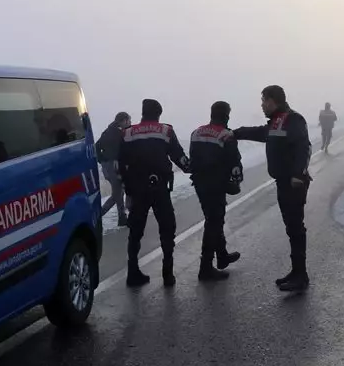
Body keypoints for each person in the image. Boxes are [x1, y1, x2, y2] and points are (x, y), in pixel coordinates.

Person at [234, 85, 312, 292]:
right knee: (291, 228)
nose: (261, 105)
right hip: (283, 182)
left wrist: (298, 174)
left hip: (294, 183)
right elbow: (261, 132)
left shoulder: (293, 119)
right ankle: (296, 271)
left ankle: (301, 275)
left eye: (263, 101)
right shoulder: (277, 121)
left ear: (272, 101)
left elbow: (304, 147)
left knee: (296, 228)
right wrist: (235, 133)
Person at [118, 99, 190, 287]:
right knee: (167, 228)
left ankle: (132, 273)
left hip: (137, 189)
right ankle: (168, 273)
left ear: (143, 113)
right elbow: (179, 156)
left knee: (135, 231)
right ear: (158, 114)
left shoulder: (128, 133)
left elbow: (121, 164)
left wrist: (128, 188)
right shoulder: (165, 131)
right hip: (159, 188)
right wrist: (193, 168)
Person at [189, 101, 244, 282]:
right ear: (226, 115)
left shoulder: (196, 132)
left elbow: (193, 159)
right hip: (216, 184)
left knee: (213, 219)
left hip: (199, 184)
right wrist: (236, 182)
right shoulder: (226, 135)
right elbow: (234, 163)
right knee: (214, 222)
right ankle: (205, 268)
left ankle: (222, 255)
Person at [96, 111, 131, 227]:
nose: (130, 122)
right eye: (128, 120)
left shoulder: (107, 132)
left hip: (107, 167)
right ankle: (97, 216)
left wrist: (102, 160)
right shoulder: (119, 133)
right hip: (114, 166)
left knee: (118, 192)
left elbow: (97, 146)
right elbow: (123, 151)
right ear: (123, 120)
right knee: (117, 193)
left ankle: (122, 218)